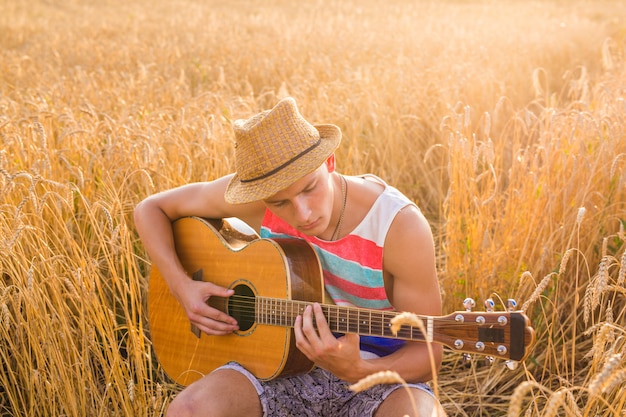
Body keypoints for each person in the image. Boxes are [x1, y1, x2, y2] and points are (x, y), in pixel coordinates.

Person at [134, 97, 447, 417]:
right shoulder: (259, 199)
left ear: (330, 162)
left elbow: (430, 353)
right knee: (188, 411)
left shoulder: (399, 228)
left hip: (381, 377)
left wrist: (358, 371)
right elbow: (150, 208)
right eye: (280, 202)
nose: (303, 213)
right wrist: (181, 286)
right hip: (276, 366)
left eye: (309, 188)